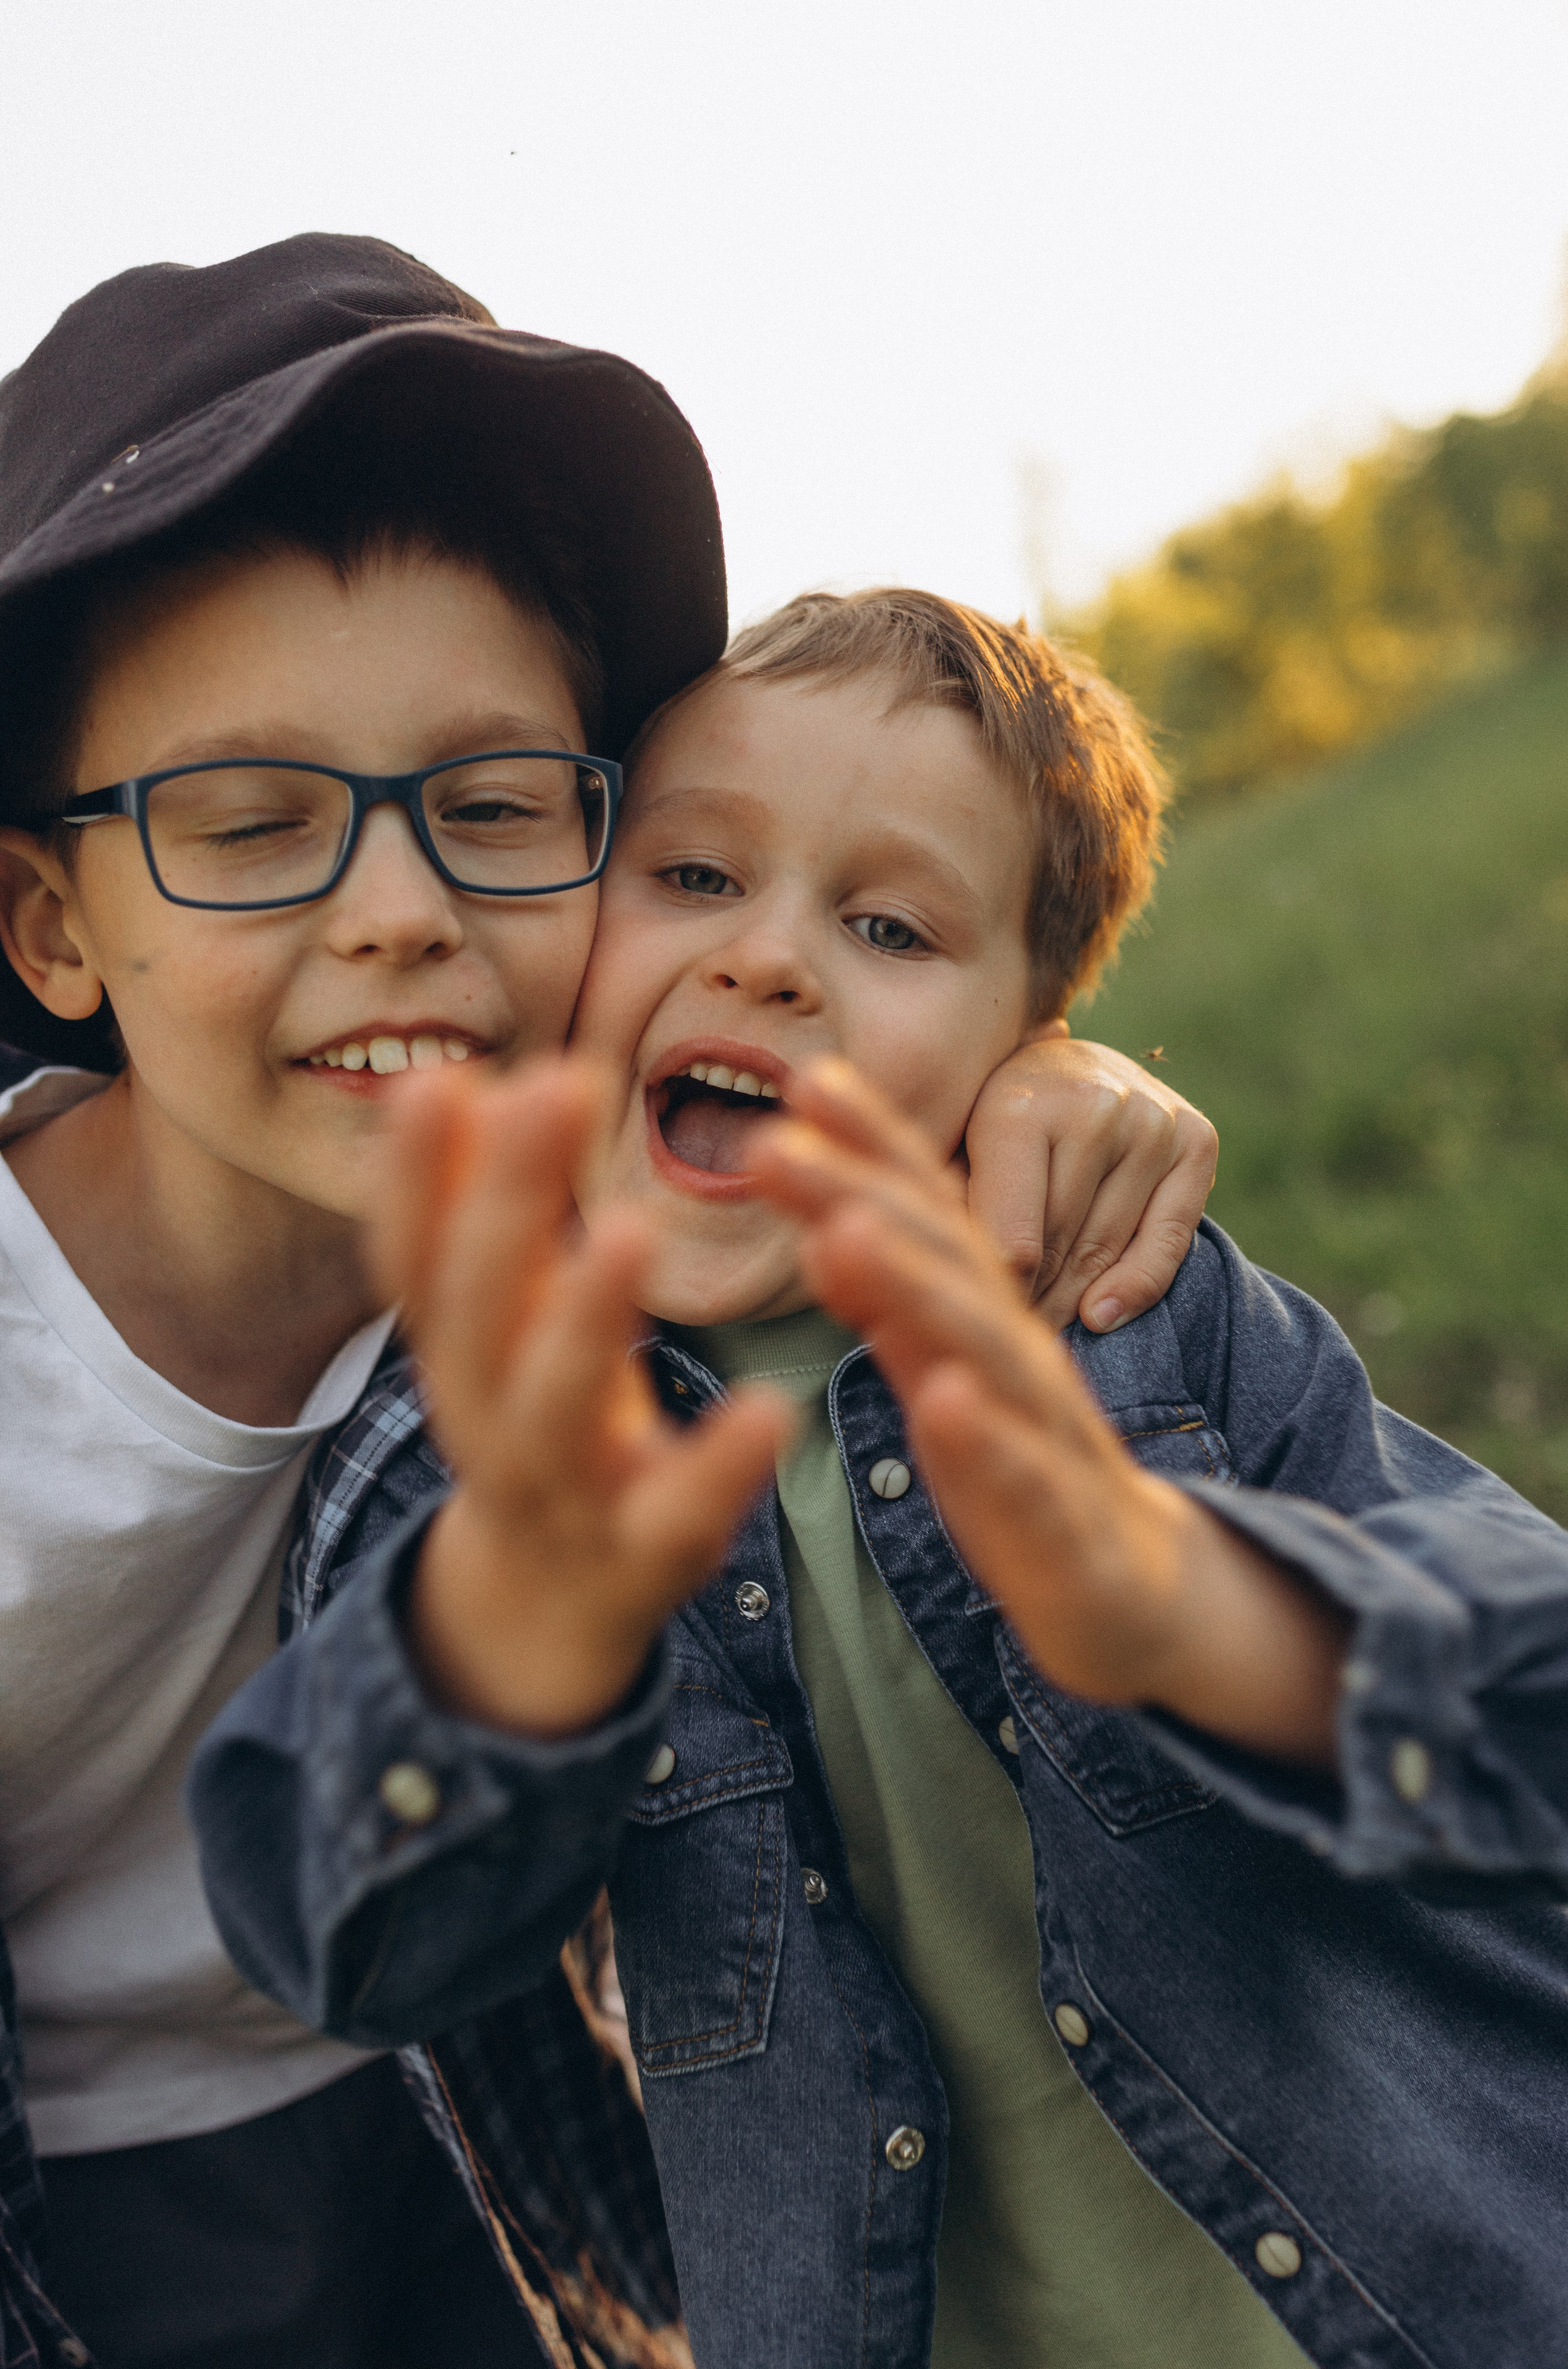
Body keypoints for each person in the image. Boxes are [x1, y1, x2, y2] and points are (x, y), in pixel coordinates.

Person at [0, 238, 1220, 2367]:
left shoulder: (628, 1210)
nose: (399, 916)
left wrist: (1054, 1073)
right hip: (88, 2196)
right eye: (252, 825)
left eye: (490, 811)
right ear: (52, 926)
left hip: (513, 2105)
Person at [196, 587, 1568, 2369]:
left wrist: (1198, 1616)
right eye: (694, 879)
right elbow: (343, 1945)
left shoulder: (1130, 1321)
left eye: (891, 927)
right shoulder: (502, 1449)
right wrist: (502, 1653)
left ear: (1028, 1033)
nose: (771, 960)